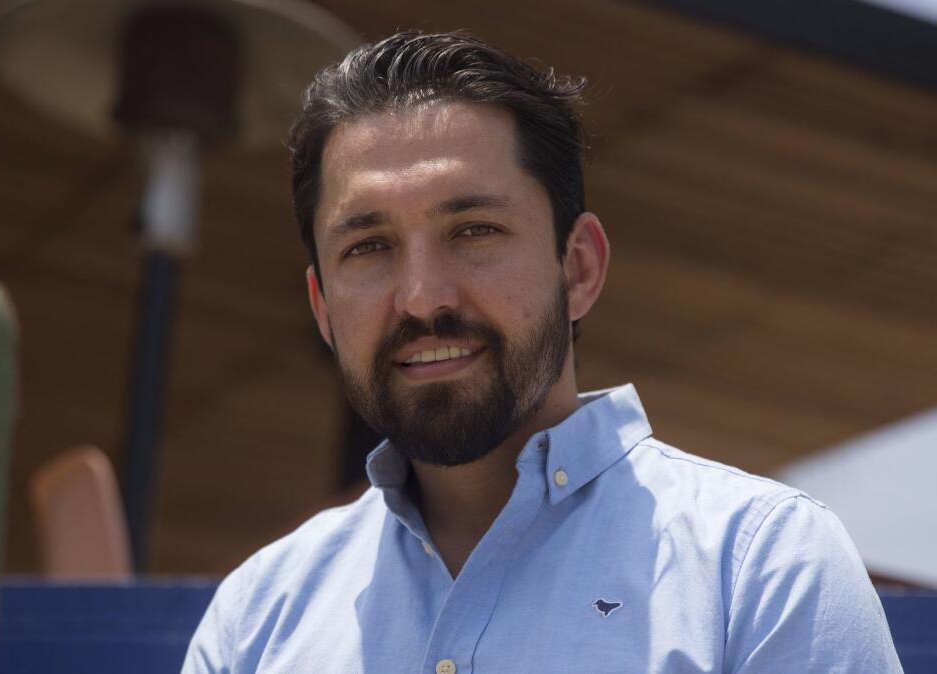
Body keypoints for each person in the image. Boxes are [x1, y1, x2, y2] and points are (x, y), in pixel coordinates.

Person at [181, 31, 902, 673]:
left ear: (579, 268)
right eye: (368, 248)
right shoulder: (256, 621)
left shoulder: (759, 567)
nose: (423, 298)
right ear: (323, 310)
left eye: (474, 231)